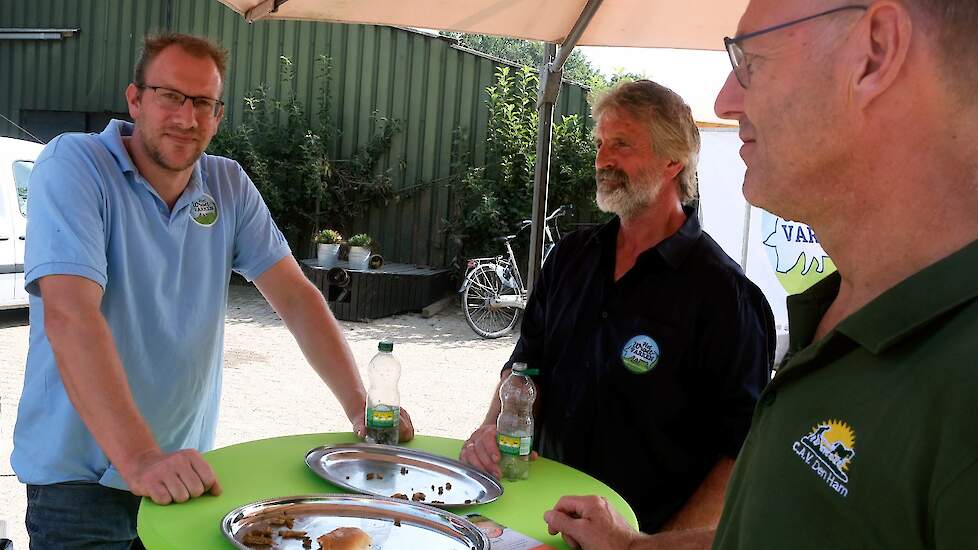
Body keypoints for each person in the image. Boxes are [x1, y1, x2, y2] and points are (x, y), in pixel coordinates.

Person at [545, 1, 978, 548]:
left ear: (875, 52)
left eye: (749, 59)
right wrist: (636, 547)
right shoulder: (841, 316)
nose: (725, 101)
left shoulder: (962, 387)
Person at [12, 32, 413, 549]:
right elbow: (70, 315)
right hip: (80, 486)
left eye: (203, 102)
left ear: (218, 115)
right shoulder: (76, 164)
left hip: (182, 474)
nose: (187, 117)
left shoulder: (226, 184)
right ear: (135, 99)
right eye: (170, 96)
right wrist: (139, 457)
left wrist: (361, 410)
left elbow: (295, 297)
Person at [460, 80, 775, 536]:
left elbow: (740, 453)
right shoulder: (570, 258)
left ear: (673, 160)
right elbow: (524, 368)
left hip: (645, 534)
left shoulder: (726, 297)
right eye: (601, 144)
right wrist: (491, 429)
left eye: (622, 144)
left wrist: (651, 549)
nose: (603, 160)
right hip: (539, 520)